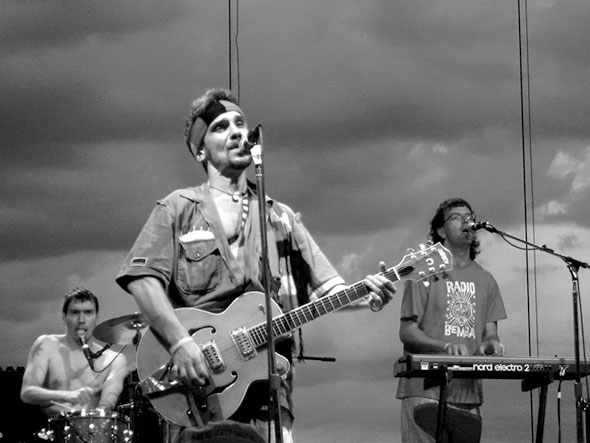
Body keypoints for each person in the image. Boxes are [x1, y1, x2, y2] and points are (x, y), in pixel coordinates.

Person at [115, 87, 396, 443]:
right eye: (220, 127)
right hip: (199, 390)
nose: (236, 132)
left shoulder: (280, 217)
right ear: (200, 150)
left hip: (268, 393)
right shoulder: (178, 208)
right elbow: (142, 280)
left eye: (240, 123)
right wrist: (179, 344)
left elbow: (328, 289)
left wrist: (365, 294)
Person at [395, 198, 507, 443]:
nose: (466, 221)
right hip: (424, 391)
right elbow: (407, 331)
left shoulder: (486, 280)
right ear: (441, 231)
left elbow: (490, 333)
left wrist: (491, 344)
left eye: (470, 216)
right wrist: (444, 347)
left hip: (468, 396)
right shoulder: (423, 271)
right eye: (456, 217)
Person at [20, 287, 128, 417]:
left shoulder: (114, 359)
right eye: (75, 312)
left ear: (97, 318)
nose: (81, 320)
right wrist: (66, 395)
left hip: (94, 427)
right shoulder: (46, 345)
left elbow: (108, 402)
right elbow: (27, 392)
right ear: (64, 317)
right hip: (53, 426)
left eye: (88, 312)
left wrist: (98, 416)